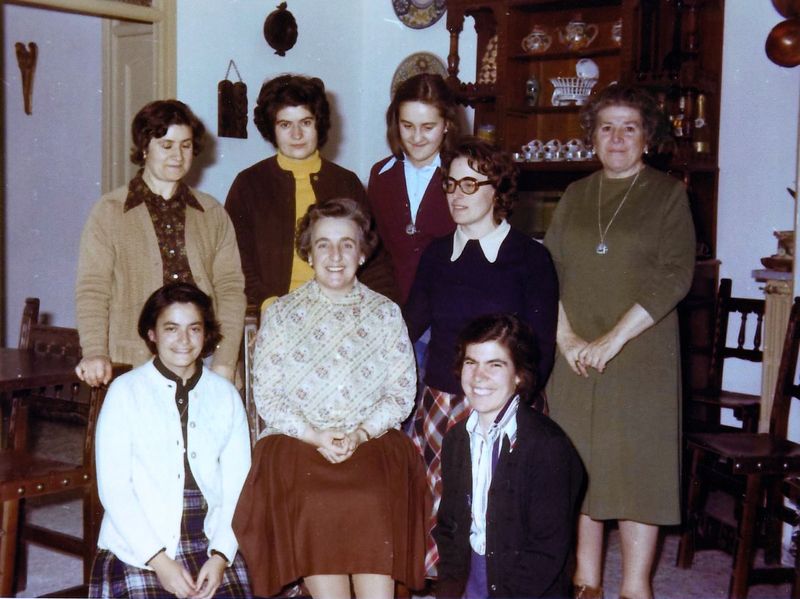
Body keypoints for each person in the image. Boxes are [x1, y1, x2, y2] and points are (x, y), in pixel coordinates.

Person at [543, 84, 695, 599]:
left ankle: (635, 588)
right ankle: (586, 582)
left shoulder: (668, 194)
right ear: (592, 137)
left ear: (647, 137)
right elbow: (549, 271)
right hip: (575, 354)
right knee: (579, 464)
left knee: (636, 470)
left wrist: (611, 340)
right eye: (606, 127)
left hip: (640, 352)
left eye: (629, 128)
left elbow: (675, 276)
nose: (616, 138)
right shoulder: (575, 194)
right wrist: (566, 339)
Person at [232, 198, 428, 599]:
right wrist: (315, 435)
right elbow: (268, 395)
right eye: (323, 244)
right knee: (315, 498)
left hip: (370, 438)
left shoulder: (385, 313)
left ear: (362, 253)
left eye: (346, 244)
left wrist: (360, 433)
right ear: (308, 252)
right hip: (299, 441)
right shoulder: (282, 314)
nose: (335, 256)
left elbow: (400, 393)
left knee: (372, 496)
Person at [404, 136, 559, 574]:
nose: (457, 194)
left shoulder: (530, 257)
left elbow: (541, 349)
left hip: (505, 403)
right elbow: (406, 328)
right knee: (442, 515)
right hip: (443, 401)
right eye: (451, 184)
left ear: (499, 190)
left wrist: (511, 409)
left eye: (470, 184)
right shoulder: (436, 254)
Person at [90, 283, 251, 599]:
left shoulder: (226, 395)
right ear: (152, 333)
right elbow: (115, 489)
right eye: (171, 328)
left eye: (194, 329)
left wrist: (220, 556)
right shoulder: (124, 392)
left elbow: (239, 486)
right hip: (139, 543)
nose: (184, 340)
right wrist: (160, 562)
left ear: (206, 334)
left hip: (209, 537)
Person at [75, 100, 246, 386]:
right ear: (145, 148)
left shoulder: (212, 212)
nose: (177, 156)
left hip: (204, 362)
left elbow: (230, 289)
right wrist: (94, 352)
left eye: (186, 145)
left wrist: (225, 361)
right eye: (166, 145)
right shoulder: (109, 211)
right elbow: (93, 289)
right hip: (134, 362)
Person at [434, 313, 584, 599]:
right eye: (471, 363)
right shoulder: (456, 440)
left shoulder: (547, 447)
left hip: (527, 588)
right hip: (473, 575)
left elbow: (547, 550)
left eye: (495, 365)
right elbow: (449, 529)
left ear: (518, 375)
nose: (479, 376)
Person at [225, 73, 396, 311]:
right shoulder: (249, 184)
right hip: (275, 311)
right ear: (272, 128)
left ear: (318, 124)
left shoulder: (346, 182)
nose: (297, 135)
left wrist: (378, 309)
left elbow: (374, 258)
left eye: (305, 122)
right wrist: (268, 303)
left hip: (343, 310)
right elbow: (236, 259)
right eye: (285, 125)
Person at [367, 73, 459, 305]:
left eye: (428, 127)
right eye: (407, 126)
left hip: (448, 306)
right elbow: (375, 251)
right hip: (391, 306)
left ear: (447, 124)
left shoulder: (463, 174)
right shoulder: (380, 175)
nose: (417, 138)